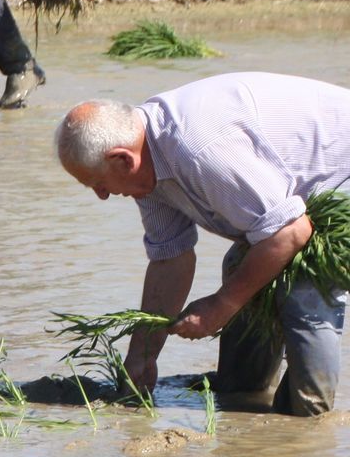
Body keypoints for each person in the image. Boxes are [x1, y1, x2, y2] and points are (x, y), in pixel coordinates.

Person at [55, 73, 350, 415]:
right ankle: (244, 397)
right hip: (294, 208)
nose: (102, 195)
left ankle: (307, 425)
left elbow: (290, 232)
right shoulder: (147, 168)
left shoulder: (199, 149)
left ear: (123, 159)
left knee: (302, 284)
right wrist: (142, 356)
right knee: (243, 265)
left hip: (336, 194)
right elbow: (171, 259)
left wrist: (222, 305)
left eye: (98, 183)